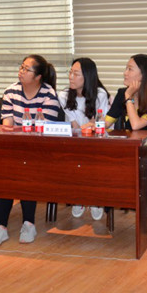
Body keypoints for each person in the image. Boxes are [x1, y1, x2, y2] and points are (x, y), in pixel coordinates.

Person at [0, 55, 62, 247]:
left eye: (26, 69)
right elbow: (7, 126)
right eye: (21, 67)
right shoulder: (10, 92)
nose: (21, 71)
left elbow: (44, 130)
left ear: (38, 76)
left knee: (25, 169)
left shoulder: (49, 94)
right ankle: (0, 227)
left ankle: (29, 224)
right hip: (16, 147)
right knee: (5, 171)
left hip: (41, 150)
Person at [105, 54, 147, 232]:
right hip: (132, 151)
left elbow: (136, 125)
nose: (125, 73)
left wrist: (128, 98)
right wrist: (92, 125)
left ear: (144, 75)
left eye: (130, 69)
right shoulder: (122, 93)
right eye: (126, 68)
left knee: (143, 170)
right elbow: (107, 121)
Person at [58, 57, 110, 221]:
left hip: (97, 142)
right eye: (70, 73)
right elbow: (75, 127)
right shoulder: (64, 95)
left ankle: (95, 199)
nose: (71, 77)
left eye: (76, 74)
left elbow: (99, 123)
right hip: (75, 141)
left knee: (94, 159)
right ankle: (79, 196)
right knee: (75, 158)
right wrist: (85, 128)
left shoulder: (100, 94)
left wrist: (88, 128)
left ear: (87, 76)